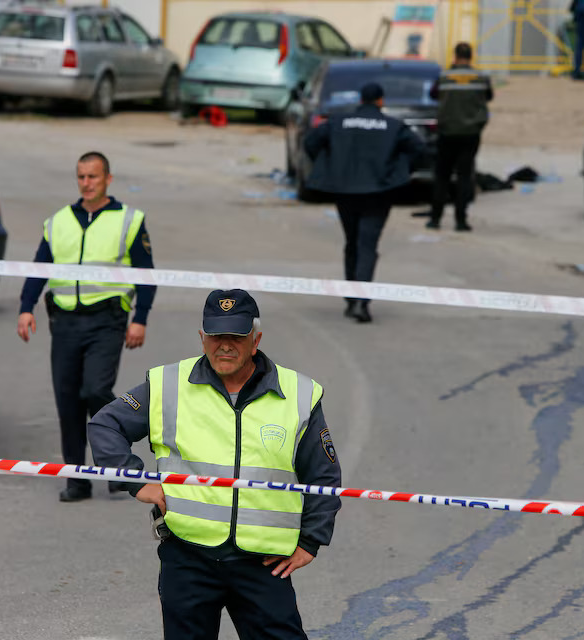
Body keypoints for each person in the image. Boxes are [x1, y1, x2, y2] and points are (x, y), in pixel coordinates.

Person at [88, 289, 342, 640]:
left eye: (236, 337)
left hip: (262, 563)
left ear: (255, 340)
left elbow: (324, 476)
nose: (225, 345)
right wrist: (135, 480)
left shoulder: (298, 394)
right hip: (187, 557)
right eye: (216, 335)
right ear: (202, 338)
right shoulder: (167, 384)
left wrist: (311, 541)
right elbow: (105, 425)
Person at [17, 151, 156, 502]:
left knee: (95, 389)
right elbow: (39, 267)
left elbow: (147, 276)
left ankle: (113, 463)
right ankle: (77, 479)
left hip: (107, 321)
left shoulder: (128, 220)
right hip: (64, 321)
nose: (86, 183)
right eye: (81, 177)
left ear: (108, 178)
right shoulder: (59, 221)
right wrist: (25, 308)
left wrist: (140, 318)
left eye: (93, 177)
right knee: (68, 400)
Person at [304, 82, 427, 324]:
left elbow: (311, 143)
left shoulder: (339, 122)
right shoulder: (393, 126)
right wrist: (398, 170)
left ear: (361, 99)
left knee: (352, 242)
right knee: (367, 245)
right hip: (379, 192)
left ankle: (352, 298)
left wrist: (330, 165)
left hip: (345, 191)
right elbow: (419, 149)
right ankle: (362, 301)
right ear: (381, 101)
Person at [426, 42, 493, 233]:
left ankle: (435, 219)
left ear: (455, 56)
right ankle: (461, 221)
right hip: (470, 133)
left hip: (446, 132)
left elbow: (433, 94)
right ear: (471, 57)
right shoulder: (480, 78)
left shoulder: (444, 76)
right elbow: (488, 97)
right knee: (465, 176)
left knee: (442, 176)